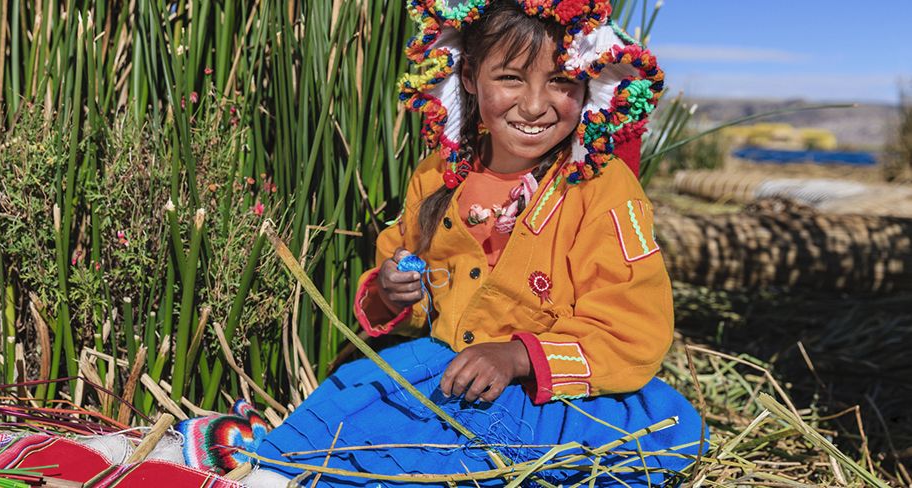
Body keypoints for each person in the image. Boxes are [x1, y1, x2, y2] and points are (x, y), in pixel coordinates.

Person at [244, 0, 704, 486]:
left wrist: (517, 356)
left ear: (588, 83)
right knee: (355, 399)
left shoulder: (601, 188)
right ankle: (279, 472)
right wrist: (393, 289)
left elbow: (634, 327)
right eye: (510, 78)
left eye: (561, 81)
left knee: (665, 431)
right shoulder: (438, 176)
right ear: (469, 75)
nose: (533, 105)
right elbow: (405, 283)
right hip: (443, 373)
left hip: (551, 397)